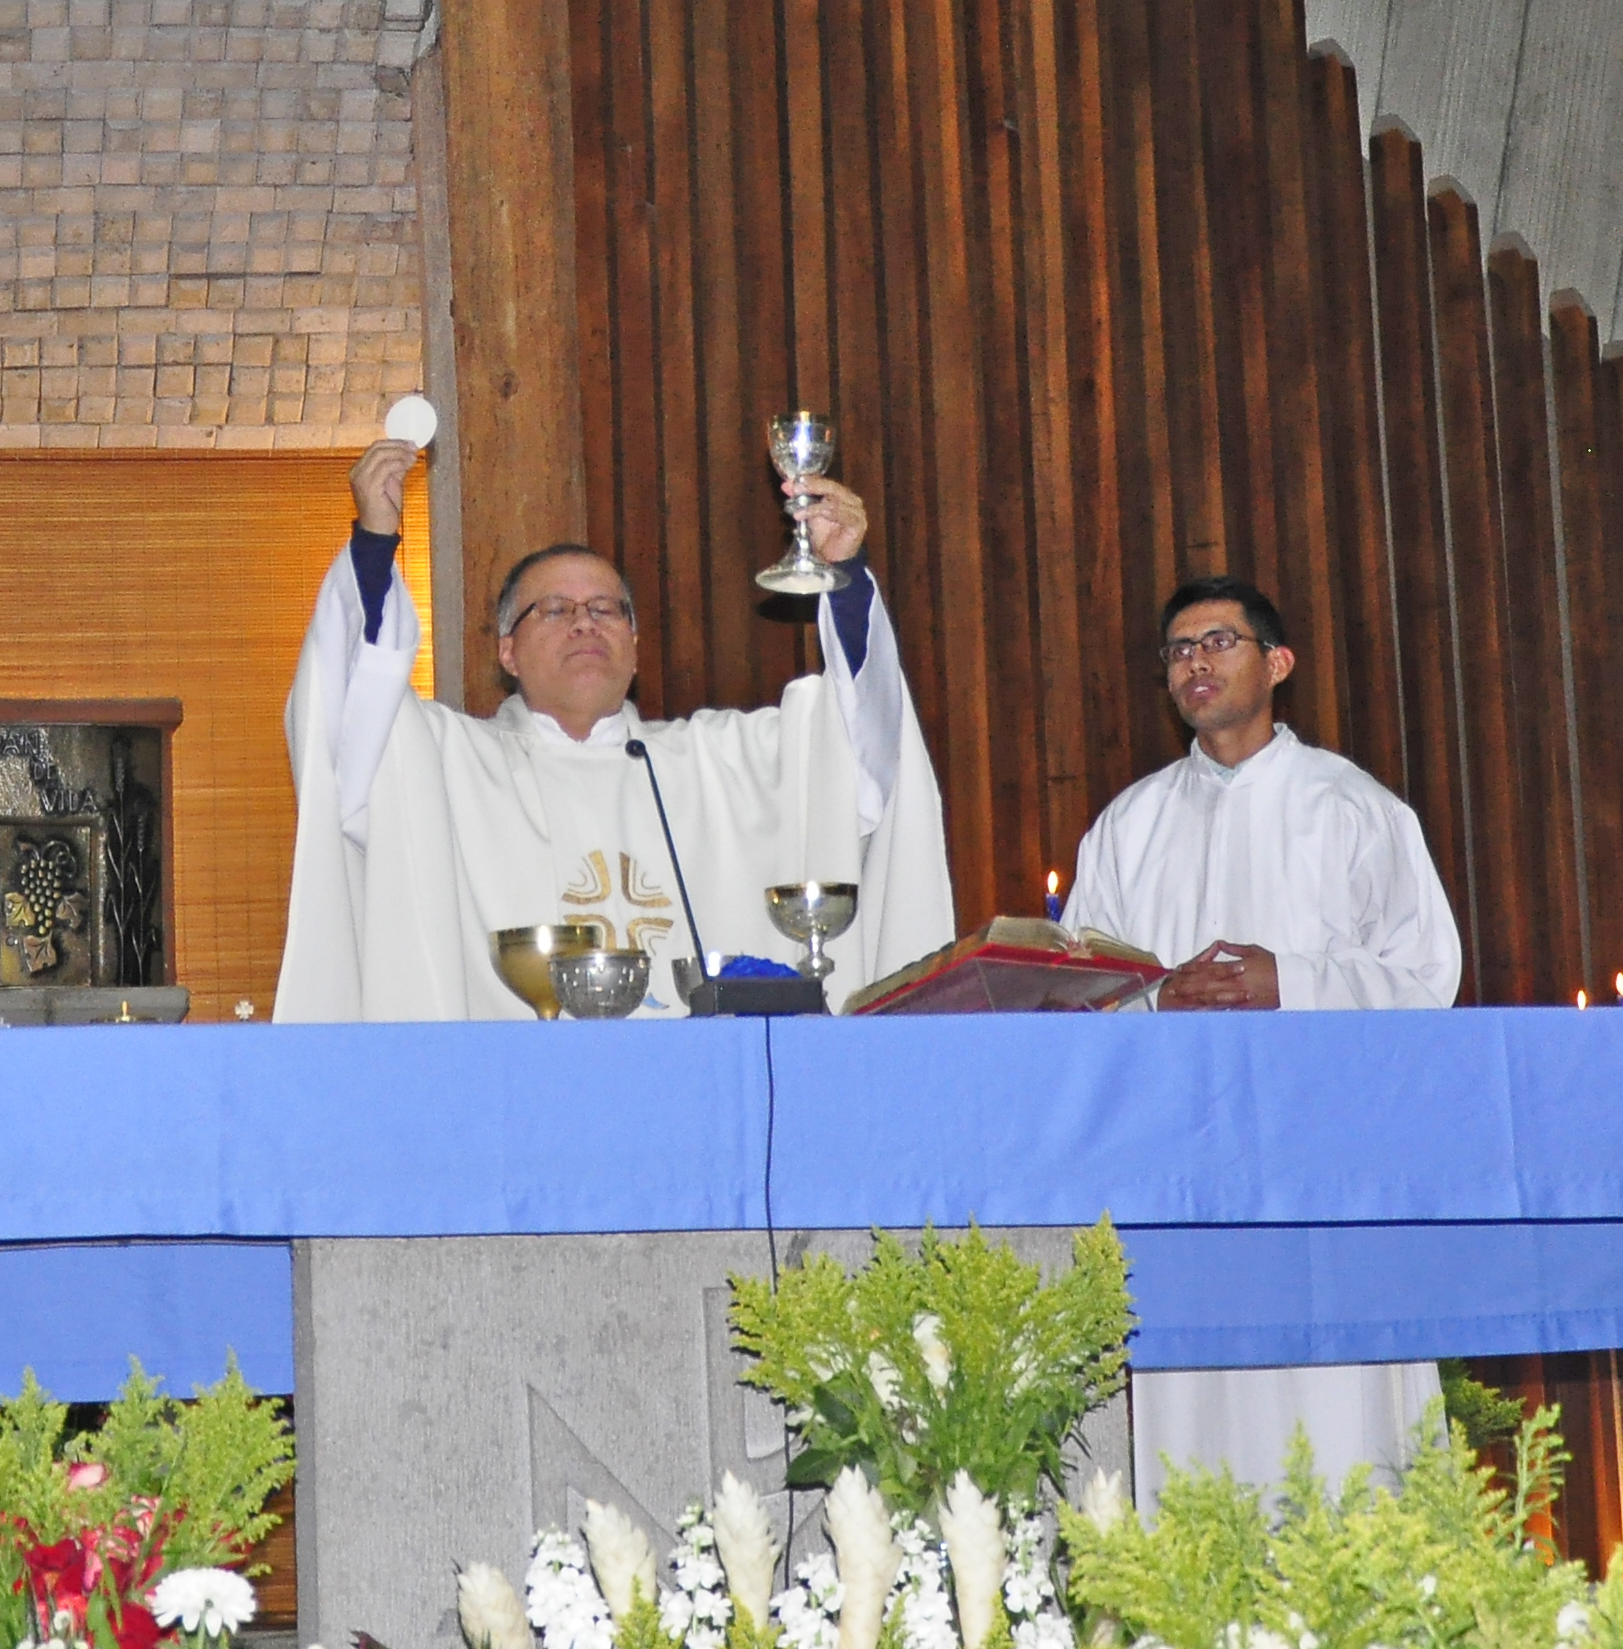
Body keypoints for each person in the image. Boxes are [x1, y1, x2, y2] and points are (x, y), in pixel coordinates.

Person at [276, 428, 952, 1018]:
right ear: (506, 650)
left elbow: (857, 746)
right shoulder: (446, 763)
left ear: (635, 647)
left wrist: (844, 573)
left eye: (606, 610)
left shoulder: (722, 765)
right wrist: (373, 544)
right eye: (555, 610)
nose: (584, 623)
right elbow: (348, 721)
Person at [1064, 578, 1463, 1499]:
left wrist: (1292, 980)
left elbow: (1425, 980)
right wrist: (1162, 1002)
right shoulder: (1128, 827)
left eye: (1218, 642)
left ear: (1277, 664)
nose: (1195, 662)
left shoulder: (1355, 807)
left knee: (1345, 1432)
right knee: (1198, 1432)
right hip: (1181, 1172)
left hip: (1328, 1165)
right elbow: (1079, 1003)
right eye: (1178, 650)